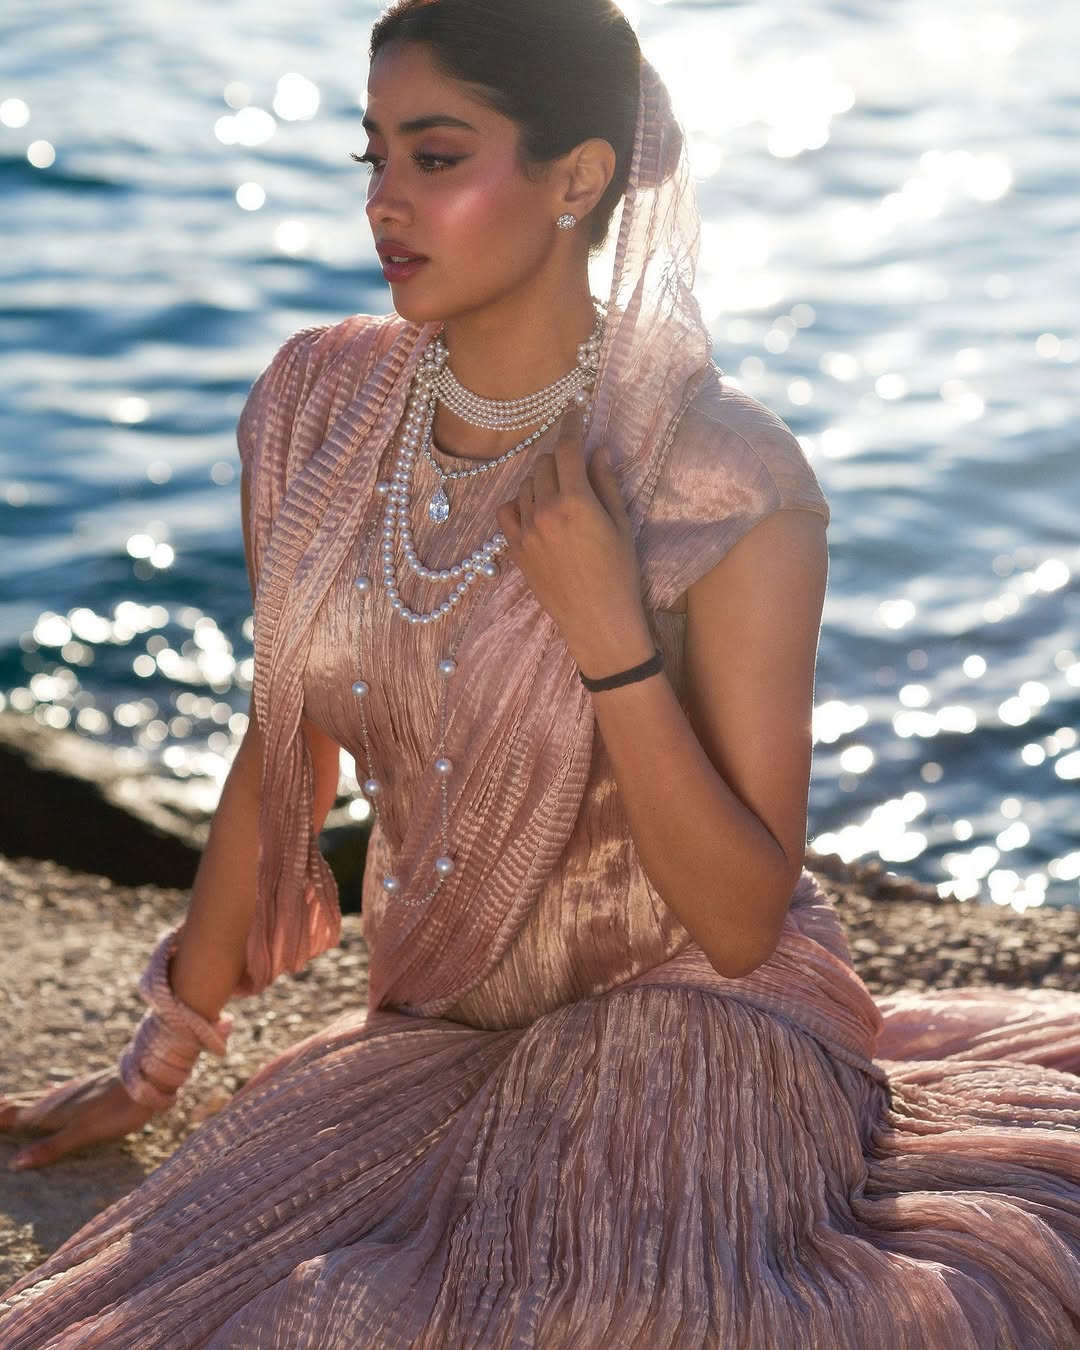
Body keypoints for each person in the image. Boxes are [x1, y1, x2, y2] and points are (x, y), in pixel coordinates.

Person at [2, 0, 1079, 1344]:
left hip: (690, 1031)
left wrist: (607, 632)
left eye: (437, 156)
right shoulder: (315, 406)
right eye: (373, 155)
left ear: (579, 178)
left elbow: (743, 921)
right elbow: (283, 748)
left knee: (613, 1309)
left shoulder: (723, 472)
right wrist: (157, 1055)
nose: (385, 200)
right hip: (438, 1032)